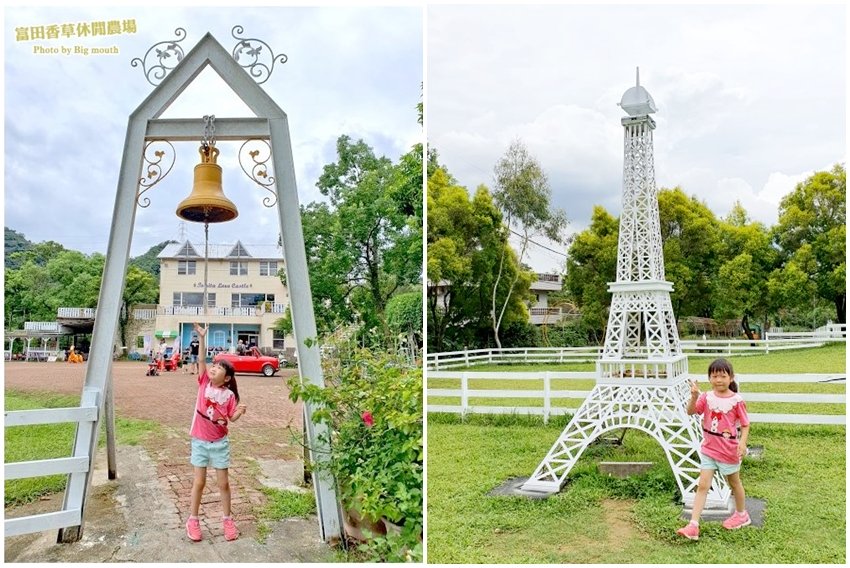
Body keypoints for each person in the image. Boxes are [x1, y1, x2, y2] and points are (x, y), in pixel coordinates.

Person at [185, 322, 247, 542]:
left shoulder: (229, 396)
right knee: (199, 483)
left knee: (223, 484)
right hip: (200, 442)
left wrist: (239, 412)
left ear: (227, 378)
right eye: (215, 365)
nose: (214, 368)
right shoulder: (204, 383)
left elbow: (231, 418)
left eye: (220, 368)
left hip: (220, 444)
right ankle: (193, 520)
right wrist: (202, 338)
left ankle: (227, 520)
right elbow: (201, 360)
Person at [677, 358, 751, 540]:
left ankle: (742, 514)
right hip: (709, 450)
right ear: (709, 378)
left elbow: (745, 424)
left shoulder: (736, 400)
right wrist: (694, 396)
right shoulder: (706, 397)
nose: (719, 380)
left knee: (734, 483)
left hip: (728, 451)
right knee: (703, 485)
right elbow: (691, 411)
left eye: (723, 376)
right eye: (714, 376)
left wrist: (742, 443)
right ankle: (693, 525)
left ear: (731, 378)